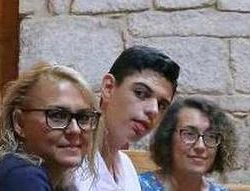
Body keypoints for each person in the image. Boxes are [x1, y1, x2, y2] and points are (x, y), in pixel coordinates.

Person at [0, 62, 101, 190]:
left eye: (84, 117)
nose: (75, 129)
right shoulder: (21, 177)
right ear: (19, 123)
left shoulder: (56, 181)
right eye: (57, 116)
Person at [74, 45, 181, 191]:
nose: (153, 110)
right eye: (140, 93)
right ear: (108, 87)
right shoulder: (70, 161)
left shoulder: (127, 169)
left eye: (162, 105)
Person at [139, 97, 237, 191]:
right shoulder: (136, 186)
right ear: (167, 138)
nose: (200, 146)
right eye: (190, 134)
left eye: (211, 136)